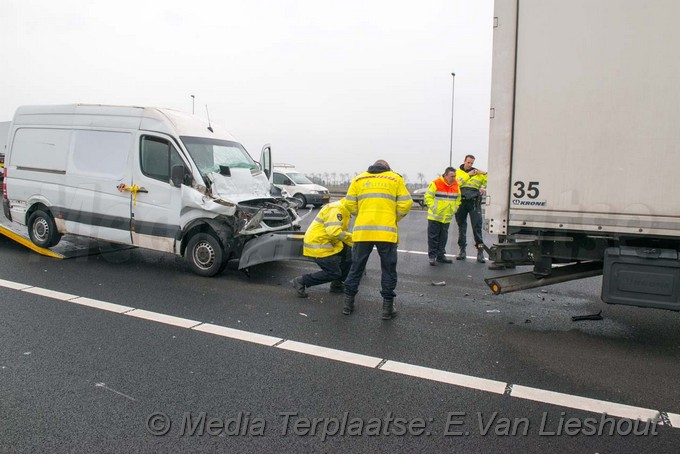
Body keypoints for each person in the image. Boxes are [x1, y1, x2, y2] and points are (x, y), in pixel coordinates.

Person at [342, 160, 412, 320]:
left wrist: (361, 215)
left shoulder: (358, 179)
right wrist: (394, 218)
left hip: (363, 231)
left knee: (356, 268)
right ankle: (387, 308)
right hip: (386, 233)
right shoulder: (395, 178)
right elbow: (406, 203)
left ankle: (348, 304)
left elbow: (349, 203)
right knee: (388, 270)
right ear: (387, 168)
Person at [290, 198, 353, 298]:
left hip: (329, 241)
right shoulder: (336, 209)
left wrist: (353, 243)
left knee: (349, 254)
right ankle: (301, 281)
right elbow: (334, 232)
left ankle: (337, 284)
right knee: (334, 273)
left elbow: (340, 234)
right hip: (319, 244)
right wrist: (355, 238)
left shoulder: (345, 209)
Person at [455, 154, 487, 263]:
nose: (470, 165)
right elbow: (456, 184)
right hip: (461, 202)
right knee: (461, 227)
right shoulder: (457, 173)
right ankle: (462, 250)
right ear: (464, 161)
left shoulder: (478, 174)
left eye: (472, 163)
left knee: (477, 228)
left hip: (474, 203)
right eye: (468, 162)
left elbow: (491, 182)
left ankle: (480, 252)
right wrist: (468, 175)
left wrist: (485, 173)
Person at [424, 167, 459, 266]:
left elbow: (458, 198)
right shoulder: (436, 183)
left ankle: (440, 256)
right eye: (452, 176)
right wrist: (435, 209)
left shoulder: (455, 184)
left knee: (443, 238)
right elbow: (427, 197)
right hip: (435, 216)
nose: (454, 178)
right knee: (433, 237)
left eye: (455, 176)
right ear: (446, 175)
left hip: (446, 217)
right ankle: (432, 257)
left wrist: (454, 209)